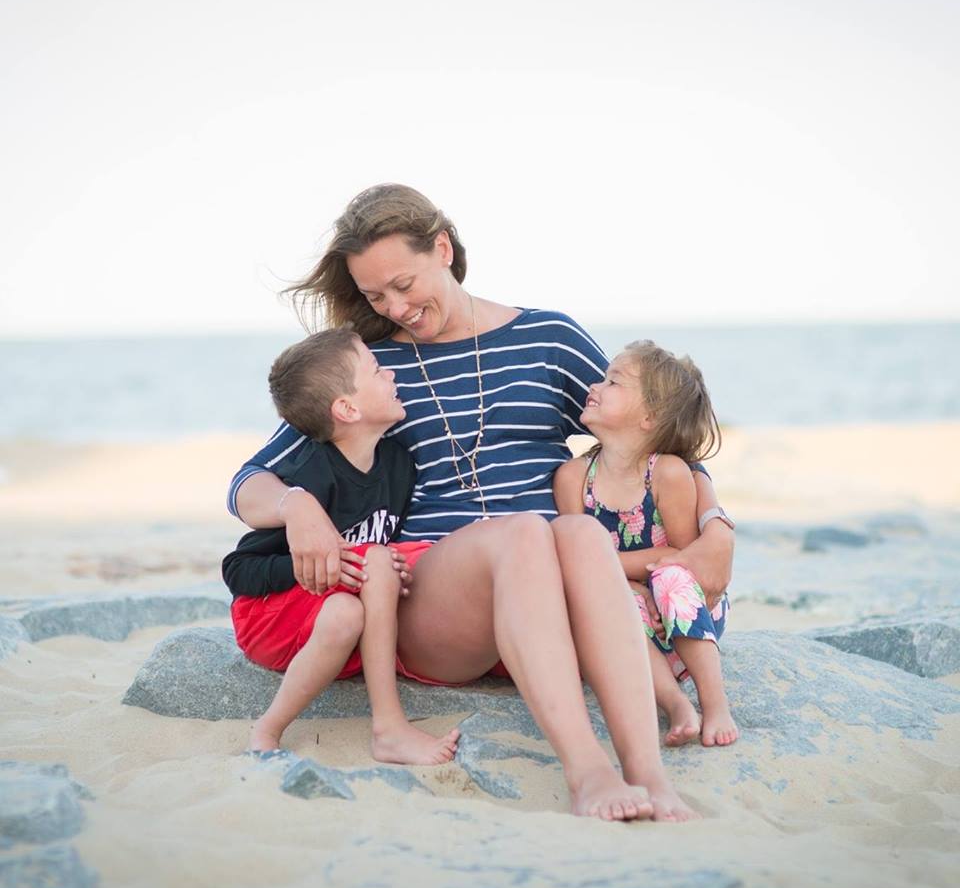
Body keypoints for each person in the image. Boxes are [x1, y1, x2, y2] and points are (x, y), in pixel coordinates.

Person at [228, 183, 736, 822]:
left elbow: (653, 432)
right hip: (440, 606)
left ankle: (650, 777)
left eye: (404, 284)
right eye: (376, 296)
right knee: (524, 531)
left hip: (555, 595)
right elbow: (249, 482)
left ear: (442, 249)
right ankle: (588, 774)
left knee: (581, 535)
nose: (396, 308)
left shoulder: (548, 338)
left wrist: (716, 527)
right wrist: (298, 505)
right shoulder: (368, 371)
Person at [223, 327, 460, 765]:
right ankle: (290, 728)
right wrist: (308, 567)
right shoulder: (309, 475)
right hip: (269, 618)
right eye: (377, 370)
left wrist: (384, 570)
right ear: (347, 408)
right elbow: (237, 568)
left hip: (338, 621)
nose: (391, 374)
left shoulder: (399, 467)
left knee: (359, 595)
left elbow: (380, 552)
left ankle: (287, 726)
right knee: (364, 577)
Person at [553, 341, 739, 748]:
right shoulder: (573, 478)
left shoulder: (668, 474)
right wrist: (631, 586)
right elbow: (574, 560)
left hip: (686, 619)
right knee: (612, 599)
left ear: (649, 417)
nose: (595, 386)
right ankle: (675, 704)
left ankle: (715, 703)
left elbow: (685, 559)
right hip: (627, 630)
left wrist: (617, 570)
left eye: (613, 381)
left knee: (671, 577)